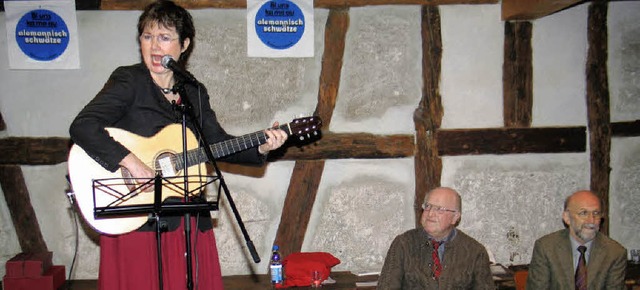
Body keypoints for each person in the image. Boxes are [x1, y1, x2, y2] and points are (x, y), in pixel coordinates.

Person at [68, 1, 288, 289]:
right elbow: (83, 126)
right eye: (148, 37)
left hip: (186, 217)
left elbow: (216, 144)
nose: (155, 47)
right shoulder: (129, 81)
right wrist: (130, 161)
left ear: (184, 45)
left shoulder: (193, 91)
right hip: (138, 214)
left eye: (165, 37)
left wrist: (261, 147)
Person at [377, 187, 495, 290]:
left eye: (439, 209)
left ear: (455, 217)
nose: (430, 214)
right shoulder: (403, 244)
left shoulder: (475, 252)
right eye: (428, 206)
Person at [526, 190, 627, 290]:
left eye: (596, 213)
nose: (591, 220)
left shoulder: (615, 253)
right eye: (584, 213)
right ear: (567, 217)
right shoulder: (546, 248)